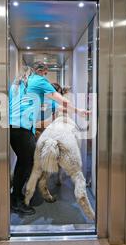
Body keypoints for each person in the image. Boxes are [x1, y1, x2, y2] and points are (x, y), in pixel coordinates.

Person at [9, 61, 90, 215]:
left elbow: (50, 104)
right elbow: (62, 100)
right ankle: (16, 200)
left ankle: (17, 195)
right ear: (43, 71)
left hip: (13, 127)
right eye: (46, 73)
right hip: (21, 128)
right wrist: (79, 111)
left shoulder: (20, 83)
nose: (46, 76)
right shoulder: (39, 80)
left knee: (24, 162)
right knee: (28, 162)